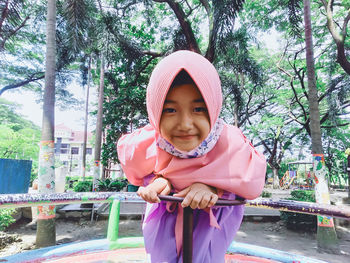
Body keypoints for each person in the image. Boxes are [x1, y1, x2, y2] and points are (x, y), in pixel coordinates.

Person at [117, 50, 266, 263]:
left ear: (213, 107)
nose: (185, 124)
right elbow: (135, 170)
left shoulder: (230, 143)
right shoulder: (149, 143)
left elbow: (251, 183)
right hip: (164, 224)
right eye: (169, 110)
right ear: (155, 110)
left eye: (198, 108)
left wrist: (213, 188)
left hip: (210, 226)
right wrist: (159, 180)